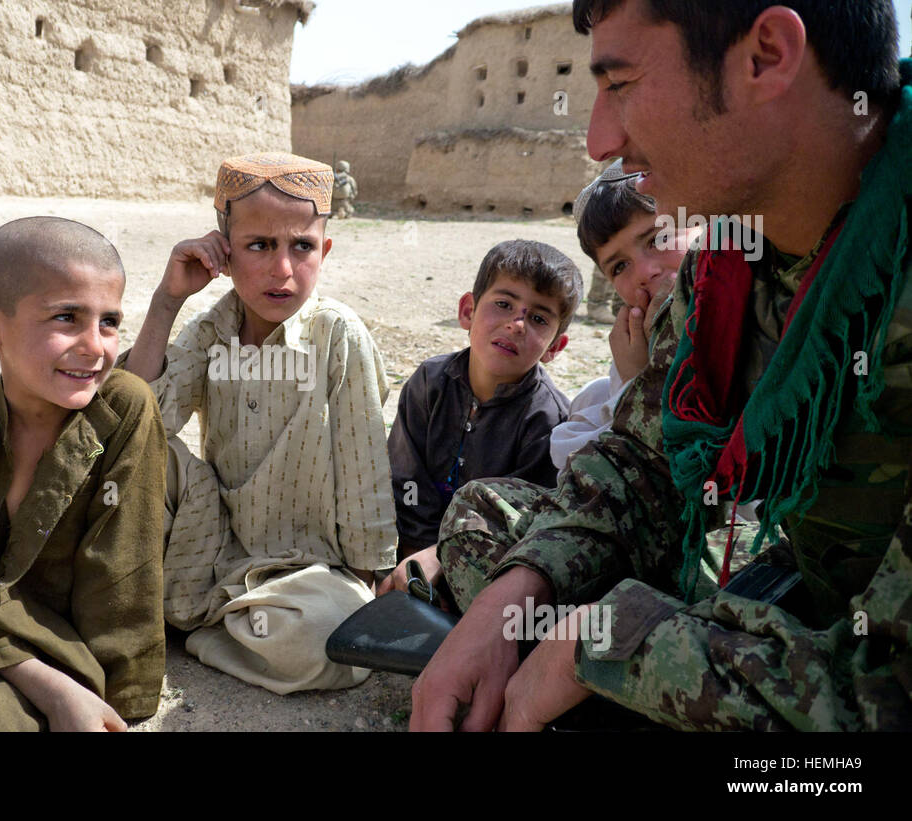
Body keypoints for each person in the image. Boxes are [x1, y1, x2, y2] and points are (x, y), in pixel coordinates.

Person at [410, 0, 912, 731]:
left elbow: (889, 696)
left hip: (846, 664)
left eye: (621, 83)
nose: (600, 139)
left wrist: (606, 642)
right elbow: (644, 463)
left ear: (766, 56)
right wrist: (512, 596)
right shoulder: (727, 264)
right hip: (782, 606)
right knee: (493, 520)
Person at [121, 152, 397, 694]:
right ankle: (221, 617)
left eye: (302, 246)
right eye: (259, 246)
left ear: (326, 251)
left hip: (308, 570)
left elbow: (364, 460)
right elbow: (142, 418)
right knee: (137, 456)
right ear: (223, 252)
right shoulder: (211, 330)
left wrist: (369, 577)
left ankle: (196, 629)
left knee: (333, 639)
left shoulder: (337, 336)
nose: (283, 270)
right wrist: (166, 300)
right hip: (215, 540)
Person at [0, 217, 166, 732]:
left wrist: (112, 703)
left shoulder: (123, 410)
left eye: (109, 322)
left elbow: (122, 577)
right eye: (67, 317)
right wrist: (53, 690)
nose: (95, 346)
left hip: (77, 651)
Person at [388, 240, 579, 558]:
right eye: (504, 304)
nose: (516, 325)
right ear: (468, 311)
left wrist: (440, 562)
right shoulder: (430, 381)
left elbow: (516, 522)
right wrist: (412, 558)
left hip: (482, 564)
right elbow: (406, 479)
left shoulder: (549, 421)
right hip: (407, 545)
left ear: (555, 347)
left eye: (538, 319)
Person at [549, 159, 689, 472]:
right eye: (620, 267)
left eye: (658, 239)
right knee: (593, 396)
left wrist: (638, 386)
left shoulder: (748, 317)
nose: (645, 272)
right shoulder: (646, 341)